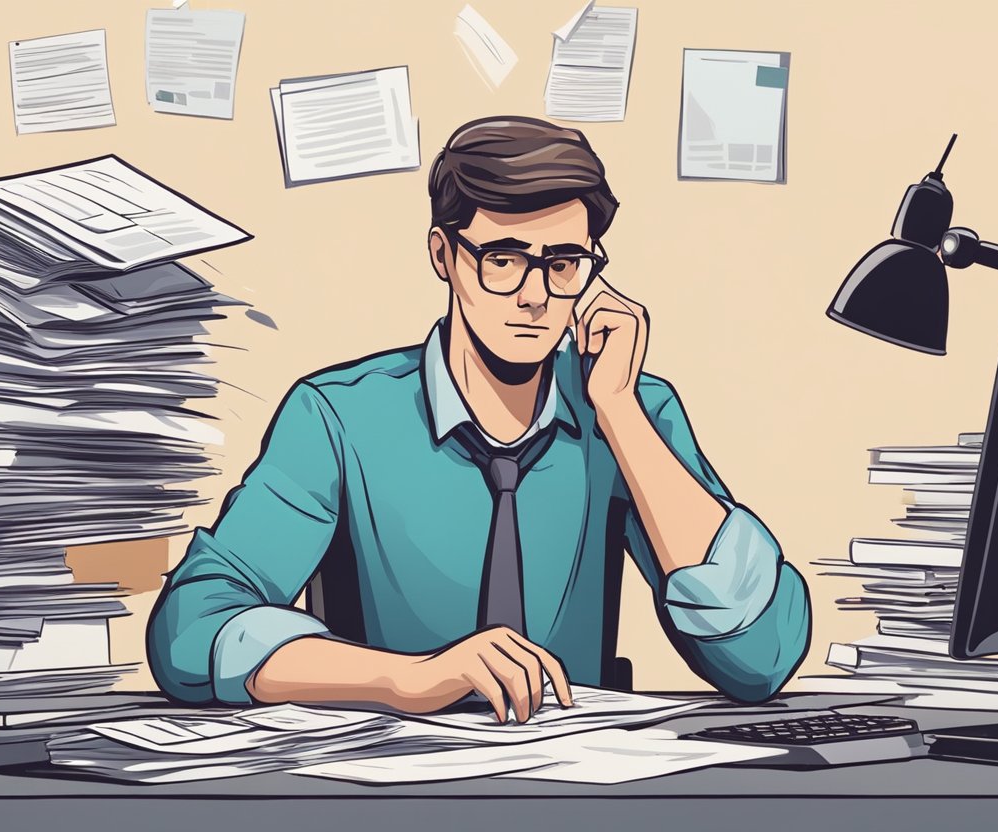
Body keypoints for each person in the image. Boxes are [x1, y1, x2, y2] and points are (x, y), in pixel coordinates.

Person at [147, 115, 810, 723]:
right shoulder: (338, 416)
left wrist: (619, 413)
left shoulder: (632, 406)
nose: (534, 295)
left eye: (564, 264)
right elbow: (192, 628)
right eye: (504, 259)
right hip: (382, 794)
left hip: (585, 790)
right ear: (444, 255)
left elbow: (761, 657)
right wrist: (404, 680)